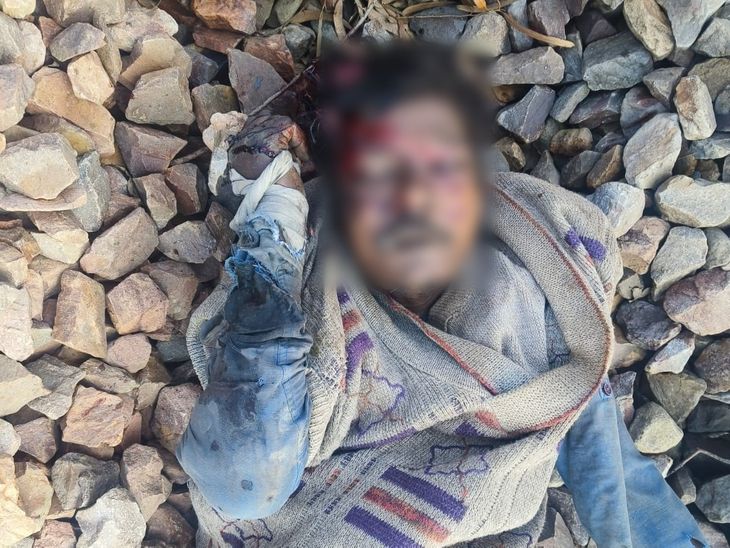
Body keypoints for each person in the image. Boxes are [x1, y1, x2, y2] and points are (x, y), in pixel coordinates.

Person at [177, 44, 707, 547]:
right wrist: (276, 227)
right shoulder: (325, 307)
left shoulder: (540, 259)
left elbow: (601, 447)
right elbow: (243, 479)